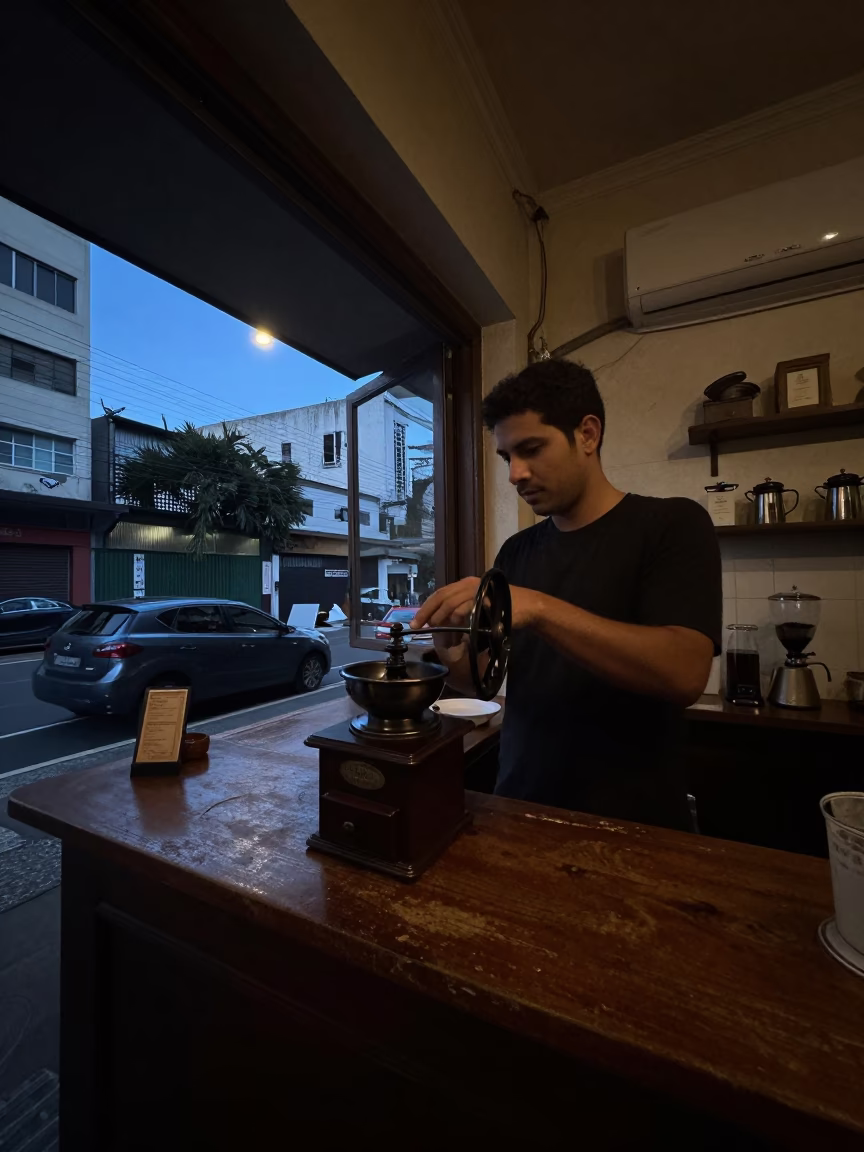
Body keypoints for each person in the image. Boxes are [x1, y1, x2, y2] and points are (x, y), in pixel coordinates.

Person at [412, 359, 722, 830]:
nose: (516, 474)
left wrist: (537, 608)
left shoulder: (672, 525)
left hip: (633, 825)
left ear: (588, 435)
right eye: (507, 458)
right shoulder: (517, 552)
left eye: (531, 449)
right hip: (517, 805)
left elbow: (685, 672)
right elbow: (481, 681)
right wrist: (449, 647)